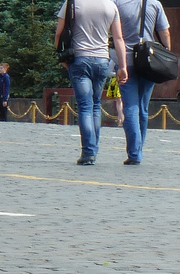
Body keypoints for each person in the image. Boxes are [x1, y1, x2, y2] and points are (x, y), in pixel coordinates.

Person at [56, 0, 126, 165]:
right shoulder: (111, 5)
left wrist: (61, 57)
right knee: (95, 105)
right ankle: (93, 149)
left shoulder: (72, 3)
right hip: (102, 60)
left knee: (85, 106)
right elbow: (118, 38)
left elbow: (59, 33)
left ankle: (88, 153)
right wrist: (122, 66)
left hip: (79, 59)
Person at [113, 0, 168, 164]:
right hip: (149, 61)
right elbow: (164, 32)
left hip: (126, 61)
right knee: (143, 108)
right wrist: (165, 56)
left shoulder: (118, 3)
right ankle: (138, 149)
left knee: (130, 107)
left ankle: (134, 153)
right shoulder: (155, 4)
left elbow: (115, 33)